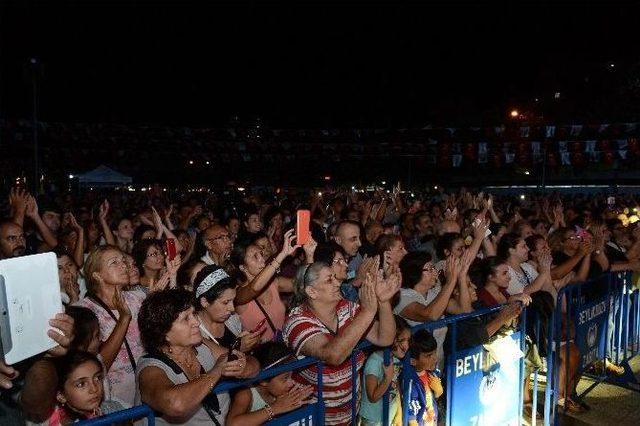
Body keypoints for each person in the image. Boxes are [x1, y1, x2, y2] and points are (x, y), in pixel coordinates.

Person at [283, 261, 398, 425]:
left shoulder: (347, 308)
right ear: (312, 291)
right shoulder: (297, 321)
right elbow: (333, 355)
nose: (338, 283)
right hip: (316, 418)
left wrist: (383, 302)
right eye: (329, 280)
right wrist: (368, 311)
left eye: (336, 278)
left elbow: (385, 338)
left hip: (350, 412)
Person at [136, 288, 257, 425]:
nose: (197, 323)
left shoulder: (201, 344)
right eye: (186, 318)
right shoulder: (150, 367)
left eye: (194, 314)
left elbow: (251, 364)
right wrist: (216, 371)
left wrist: (243, 367)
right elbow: (175, 404)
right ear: (163, 332)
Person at [75, 245, 145, 407]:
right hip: (115, 400)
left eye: (123, 261)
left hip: (148, 389)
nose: (124, 266)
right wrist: (124, 318)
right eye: (114, 263)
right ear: (97, 275)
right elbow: (97, 366)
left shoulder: (138, 298)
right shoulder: (85, 311)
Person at [232, 230, 302, 342]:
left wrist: (309, 253)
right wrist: (282, 254)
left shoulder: (273, 282)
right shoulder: (238, 295)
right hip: (264, 356)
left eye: (261, 254)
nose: (262, 259)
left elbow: (304, 284)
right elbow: (254, 288)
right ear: (242, 267)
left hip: (286, 346)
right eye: (255, 256)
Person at [227, 342, 314, 426]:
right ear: (263, 381)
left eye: (292, 375)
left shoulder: (286, 389)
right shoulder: (246, 393)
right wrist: (275, 408)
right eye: (285, 378)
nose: (292, 382)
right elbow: (232, 424)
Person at [194, 265, 263, 353]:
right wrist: (237, 349)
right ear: (205, 302)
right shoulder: (193, 332)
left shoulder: (232, 319)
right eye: (225, 302)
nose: (232, 309)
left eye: (233, 301)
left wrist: (251, 344)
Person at [359, 316, 411, 426]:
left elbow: (395, 387)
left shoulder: (394, 358)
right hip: (374, 419)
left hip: (389, 413)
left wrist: (398, 409)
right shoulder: (374, 361)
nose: (406, 346)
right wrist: (387, 378)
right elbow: (372, 397)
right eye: (401, 340)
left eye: (408, 340)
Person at [48, 351, 123, 424]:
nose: (94, 389)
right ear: (61, 396)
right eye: (81, 384)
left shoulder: (113, 409)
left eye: (97, 378)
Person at [402, 330, 443, 426]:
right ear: (413, 361)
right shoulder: (410, 382)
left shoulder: (432, 373)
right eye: (428, 356)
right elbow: (410, 415)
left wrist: (438, 391)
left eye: (434, 353)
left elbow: (432, 397)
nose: (435, 358)